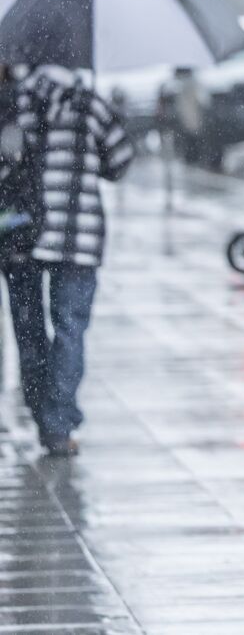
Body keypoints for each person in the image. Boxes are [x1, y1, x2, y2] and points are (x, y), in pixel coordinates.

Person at [2, 64, 133, 457]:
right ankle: (58, 422)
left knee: (29, 330)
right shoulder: (90, 104)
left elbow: (5, 161)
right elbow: (120, 163)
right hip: (79, 235)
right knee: (70, 328)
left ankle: (41, 410)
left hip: (23, 233)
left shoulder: (16, 103)